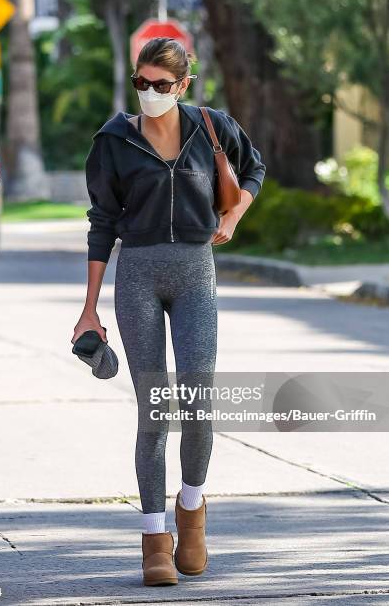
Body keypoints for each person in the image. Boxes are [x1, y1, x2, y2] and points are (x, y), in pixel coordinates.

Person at [72, 37, 266, 586]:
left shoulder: (211, 126)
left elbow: (252, 171)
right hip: (137, 275)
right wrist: (89, 309)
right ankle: (156, 538)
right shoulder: (113, 140)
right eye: (142, 84)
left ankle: (192, 508)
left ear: (183, 86)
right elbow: (101, 224)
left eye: (162, 85)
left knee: (198, 401)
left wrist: (233, 219)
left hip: (195, 274)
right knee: (154, 411)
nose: (151, 94)